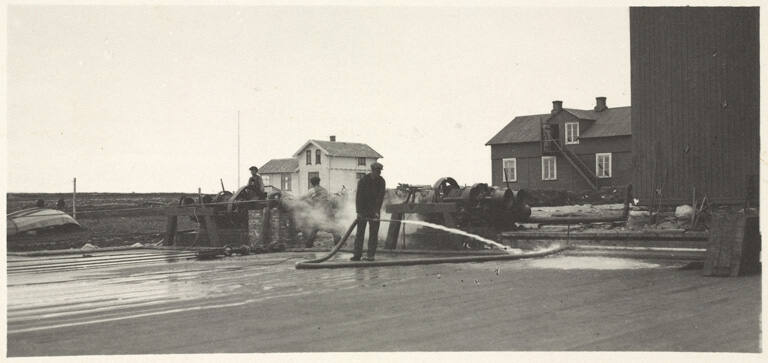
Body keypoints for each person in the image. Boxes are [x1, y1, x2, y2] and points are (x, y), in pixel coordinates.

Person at [352, 162, 386, 261]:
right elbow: (359, 197)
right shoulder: (363, 180)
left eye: (379, 171)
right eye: (377, 171)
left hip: (375, 211)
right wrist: (359, 212)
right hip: (363, 210)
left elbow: (380, 197)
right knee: (360, 233)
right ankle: (357, 255)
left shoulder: (381, 181)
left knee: (373, 234)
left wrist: (376, 211)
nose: (378, 173)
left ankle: (371, 255)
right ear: (372, 170)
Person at [302, 176, 340, 248]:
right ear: (319, 182)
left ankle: (308, 244)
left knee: (315, 227)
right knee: (333, 226)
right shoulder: (324, 190)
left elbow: (303, 198)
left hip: (321, 212)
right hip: (328, 211)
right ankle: (338, 243)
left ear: (312, 183)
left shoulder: (312, 190)